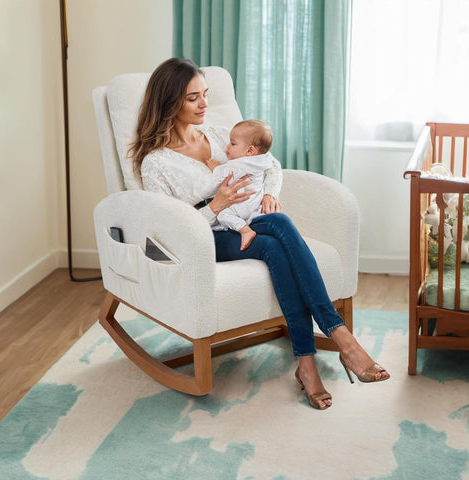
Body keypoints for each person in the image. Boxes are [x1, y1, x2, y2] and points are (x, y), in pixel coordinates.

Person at [130, 58, 390, 410]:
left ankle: (311, 361)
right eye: (193, 98)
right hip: (205, 236)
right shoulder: (157, 162)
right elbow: (167, 229)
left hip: (247, 219)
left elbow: (272, 164)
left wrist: (271, 194)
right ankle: (338, 342)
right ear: (169, 101)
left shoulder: (220, 135)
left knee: (277, 231)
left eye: (205, 94)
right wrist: (216, 206)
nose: (205, 104)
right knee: (275, 237)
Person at [205, 119, 274, 251]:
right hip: (256, 205)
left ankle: (244, 230)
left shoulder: (240, 164)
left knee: (223, 215)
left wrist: (215, 167)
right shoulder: (263, 160)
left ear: (250, 150)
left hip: (242, 205)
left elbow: (223, 175)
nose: (227, 147)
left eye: (233, 143)